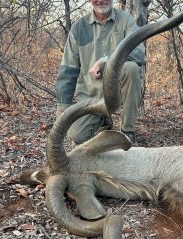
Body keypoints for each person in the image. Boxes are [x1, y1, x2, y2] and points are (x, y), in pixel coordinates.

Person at [55, 0, 146, 146]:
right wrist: (63, 106)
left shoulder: (125, 20)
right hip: (91, 96)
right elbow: (68, 70)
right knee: (77, 136)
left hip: (117, 93)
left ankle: (128, 132)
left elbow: (139, 53)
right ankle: (104, 119)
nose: (100, 0)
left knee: (132, 69)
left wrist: (105, 61)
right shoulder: (79, 28)